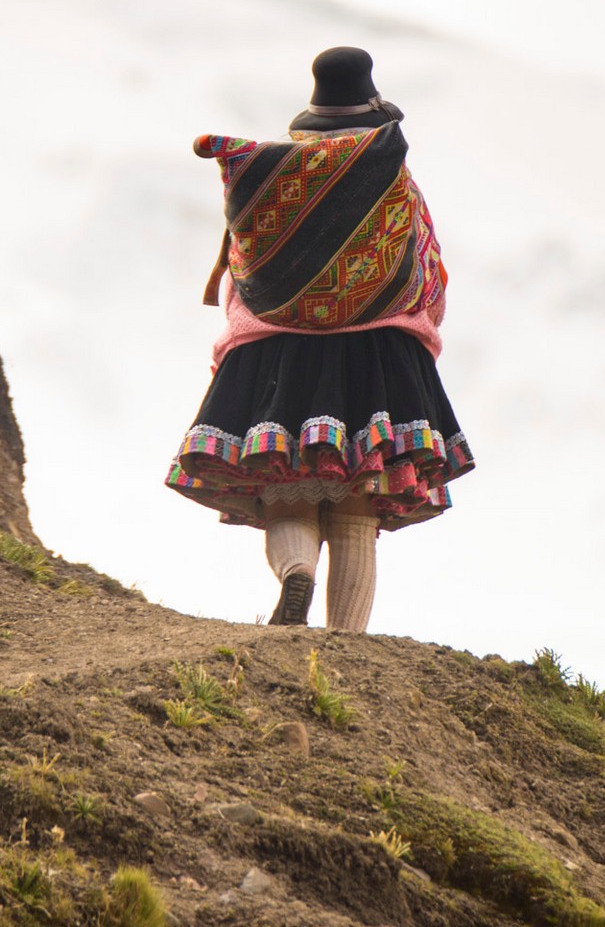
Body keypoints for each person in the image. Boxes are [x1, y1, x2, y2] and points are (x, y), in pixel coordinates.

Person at [164, 46, 474, 630]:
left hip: (276, 350)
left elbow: (241, 276)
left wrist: (247, 342)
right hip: (377, 354)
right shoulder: (393, 182)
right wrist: (418, 338)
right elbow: (425, 272)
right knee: (357, 510)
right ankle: (346, 645)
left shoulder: (272, 177)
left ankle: (295, 574)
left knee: (290, 493)